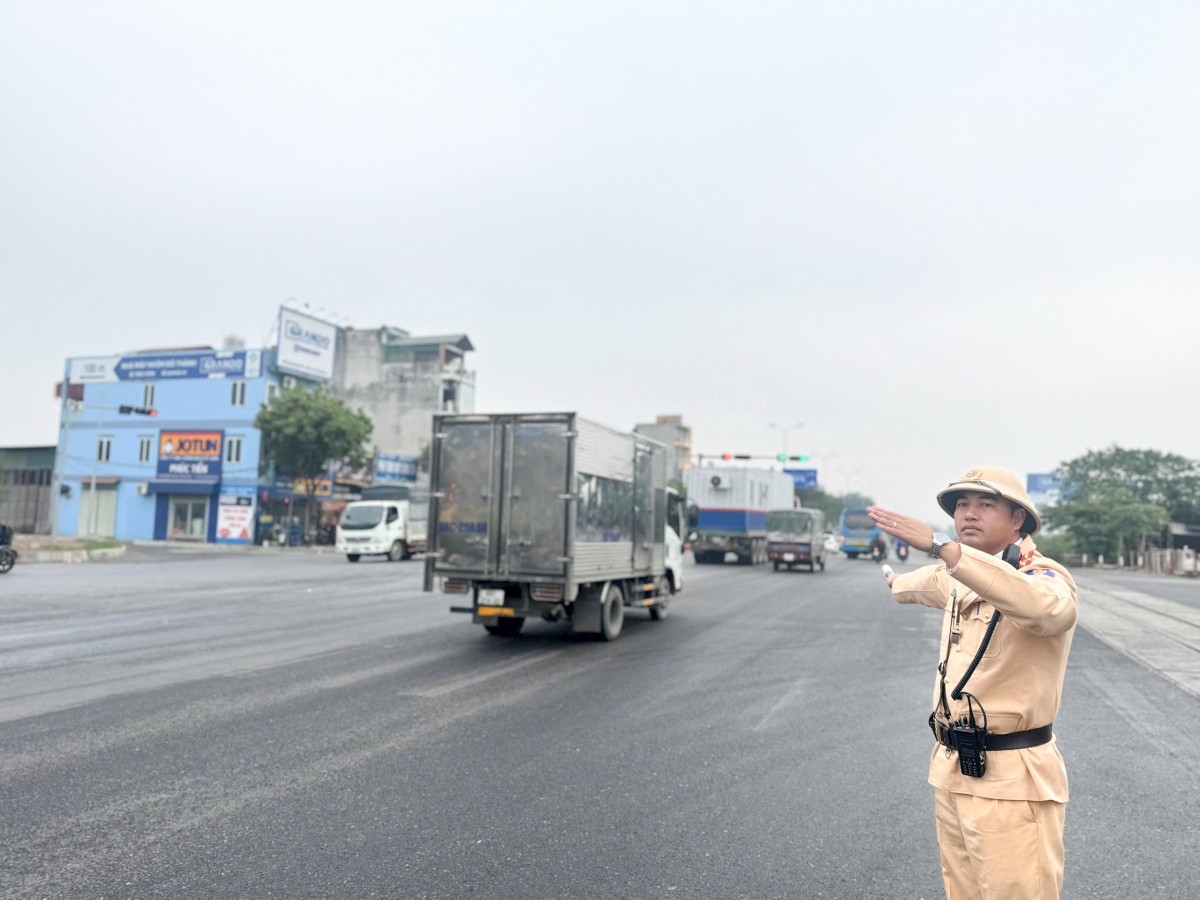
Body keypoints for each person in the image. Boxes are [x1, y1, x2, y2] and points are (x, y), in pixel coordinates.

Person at [867, 466, 1077, 900]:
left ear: (1017, 519)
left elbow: (1047, 611)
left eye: (985, 504)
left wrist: (940, 547)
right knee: (961, 892)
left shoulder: (1043, 577)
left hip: (1014, 781)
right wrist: (894, 581)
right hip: (955, 769)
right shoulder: (958, 577)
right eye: (962, 504)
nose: (969, 514)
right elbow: (922, 583)